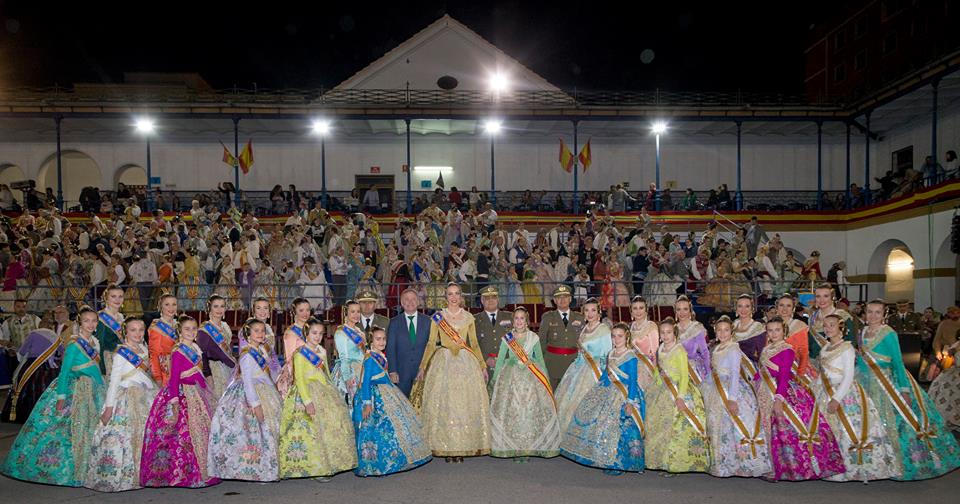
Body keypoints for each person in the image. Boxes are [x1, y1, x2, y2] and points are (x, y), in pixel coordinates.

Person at [856, 299, 960, 480]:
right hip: (864, 382)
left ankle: (898, 463)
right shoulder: (863, 332)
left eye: (877, 312)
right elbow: (862, 359)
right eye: (870, 311)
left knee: (892, 422)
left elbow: (897, 362)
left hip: (887, 383)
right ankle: (874, 463)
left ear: (884, 314)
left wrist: (904, 390)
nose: (873, 316)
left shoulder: (888, 333)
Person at [1, 307, 105, 487]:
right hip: (76, 390)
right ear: (80, 323)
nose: (90, 324)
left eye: (94, 321)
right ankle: (67, 468)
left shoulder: (94, 342)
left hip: (94, 389)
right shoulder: (74, 344)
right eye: (86, 320)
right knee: (66, 431)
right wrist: (61, 397)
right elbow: (64, 372)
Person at [754, 316, 844, 481]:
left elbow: (784, 376)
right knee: (766, 427)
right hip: (764, 391)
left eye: (777, 330)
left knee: (779, 430)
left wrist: (779, 399)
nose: (774, 333)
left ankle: (786, 468)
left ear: (784, 331)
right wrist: (753, 382)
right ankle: (771, 465)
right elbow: (761, 370)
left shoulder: (787, 350)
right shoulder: (766, 349)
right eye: (770, 330)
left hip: (780, 393)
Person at [811, 314, 898, 482]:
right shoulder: (825, 348)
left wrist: (836, 398)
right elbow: (823, 372)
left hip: (843, 394)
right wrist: (816, 389)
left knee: (847, 430)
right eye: (826, 325)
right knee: (827, 431)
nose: (828, 328)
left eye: (832, 325)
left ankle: (850, 469)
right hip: (824, 392)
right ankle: (830, 467)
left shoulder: (847, 348)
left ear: (841, 327)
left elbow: (848, 376)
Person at [413, 282, 490, 462]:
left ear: (461, 296)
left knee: (463, 405)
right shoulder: (438, 317)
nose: (454, 297)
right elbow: (431, 343)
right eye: (450, 294)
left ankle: (462, 446)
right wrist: (423, 366)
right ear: (445, 297)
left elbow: (474, 343)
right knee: (445, 406)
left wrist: (482, 366)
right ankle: (446, 447)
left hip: (465, 363)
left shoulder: (469, 317)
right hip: (444, 361)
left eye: (456, 293)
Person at [140, 315, 220, 488]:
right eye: (187, 329)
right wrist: (174, 402)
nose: (191, 332)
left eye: (194, 328)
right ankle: (186, 474)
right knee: (185, 435)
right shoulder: (178, 351)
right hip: (183, 395)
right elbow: (174, 378)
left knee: (203, 430)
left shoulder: (196, 348)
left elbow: (199, 373)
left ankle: (206, 470)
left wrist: (206, 390)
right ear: (180, 331)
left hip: (197, 393)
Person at [560, 322, 645, 475]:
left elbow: (633, 381)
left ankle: (619, 463)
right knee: (600, 424)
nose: (616, 339)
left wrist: (630, 402)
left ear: (627, 337)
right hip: (608, 390)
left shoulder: (630, 356)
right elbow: (606, 375)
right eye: (614, 336)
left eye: (620, 336)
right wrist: (597, 390)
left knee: (618, 427)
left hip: (624, 394)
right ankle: (604, 458)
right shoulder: (611, 353)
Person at [85, 318, 158, 492]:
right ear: (126, 332)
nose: (138, 333)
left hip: (145, 396)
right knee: (126, 437)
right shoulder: (121, 353)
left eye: (140, 330)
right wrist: (109, 408)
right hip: (126, 398)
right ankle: (125, 476)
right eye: (133, 330)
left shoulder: (143, 348)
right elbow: (114, 381)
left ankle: (144, 474)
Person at [278, 318, 357, 479]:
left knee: (328, 429)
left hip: (323, 391)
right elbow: (299, 379)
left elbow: (325, 372)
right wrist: (307, 401)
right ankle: (315, 468)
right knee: (312, 432)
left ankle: (329, 464)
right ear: (306, 334)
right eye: (314, 333)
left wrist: (332, 390)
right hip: (306, 393)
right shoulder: (300, 353)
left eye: (321, 333)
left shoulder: (321, 351)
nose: (317, 336)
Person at [207, 318, 281, 482]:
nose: (260, 334)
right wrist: (255, 404)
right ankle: (259, 469)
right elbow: (247, 382)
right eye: (256, 331)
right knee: (256, 433)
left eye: (262, 330)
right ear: (248, 334)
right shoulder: (247, 355)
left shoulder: (262, 350)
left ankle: (270, 467)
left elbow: (269, 372)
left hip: (266, 391)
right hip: (251, 395)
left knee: (270, 430)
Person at [353, 326, 432, 476]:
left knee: (396, 425)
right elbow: (366, 382)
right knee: (378, 429)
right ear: (371, 340)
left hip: (387, 391)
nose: (382, 342)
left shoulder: (381, 355)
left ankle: (397, 458)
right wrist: (367, 403)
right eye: (378, 339)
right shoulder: (369, 358)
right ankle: (377, 464)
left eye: (384, 339)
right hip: (375, 396)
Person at [702, 316, 771, 478]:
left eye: (726, 330)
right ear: (715, 332)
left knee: (734, 426)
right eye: (719, 330)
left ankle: (742, 464)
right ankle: (722, 463)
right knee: (718, 425)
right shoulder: (716, 348)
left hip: (731, 390)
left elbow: (734, 374)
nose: (722, 333)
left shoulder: (733, 348)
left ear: (731, 332)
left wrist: (732, 399)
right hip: (715, 389)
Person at [489, 307, 559, 460]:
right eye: (516, 318)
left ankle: (528, 447)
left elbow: (539, 359)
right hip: (511, 378)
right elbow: (500, 359)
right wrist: (495, 378)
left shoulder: (533, 337)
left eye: (522, 318)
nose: (519, 321)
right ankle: (514, 448)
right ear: (513, 321)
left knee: (529, 412)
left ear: (527, 321)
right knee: (513, 413)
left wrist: (545, 378)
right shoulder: (507, 338)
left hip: (531, 379)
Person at [645, 317, 711, 473]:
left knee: (674, 427)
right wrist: (656, 383)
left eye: (669, 332)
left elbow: (684, 375)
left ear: (674, 334)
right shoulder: (660, 349)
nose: (665, 335)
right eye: (663, 332)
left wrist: (680, 397)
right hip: (662, 390)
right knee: (658, 425)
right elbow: (658, 370)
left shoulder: (679, 350)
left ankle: (675, 463)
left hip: (678, 390)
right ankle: (660, 460)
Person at [555, 298, 612, 433]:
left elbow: (608, 355)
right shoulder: (584, 328)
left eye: (593, 310)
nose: (590, 314)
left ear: (599, 313)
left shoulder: (603, 329)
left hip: (594, 372)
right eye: (586, 310)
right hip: (578, 369)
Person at [385, 288, 431, 396]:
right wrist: (392, 371)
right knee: (402, 404)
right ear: (401, 303)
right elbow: (390, 348)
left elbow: (431, 346)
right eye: (406, 299)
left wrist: (426, 368)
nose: (410, 302)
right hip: (401, 373)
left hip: (422, 373)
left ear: (418, 301)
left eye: (413, 299)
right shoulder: (394, 322)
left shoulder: (428, 321)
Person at [540, 285, 585, 389]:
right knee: (552, 394)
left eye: (565, 297)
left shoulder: (580, 318)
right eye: (559, 297)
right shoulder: (548, 317)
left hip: (573, 363)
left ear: (570, 299)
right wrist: (541, 363)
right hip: (553, 364)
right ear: (555, 300)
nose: (562, 300)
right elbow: (542, 341)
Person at [197, 295, 237, 400]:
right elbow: (202, 356)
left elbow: (228, 349)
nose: (219, 310)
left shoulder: (225, 326)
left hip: (228, 368)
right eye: (216, 306)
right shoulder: (204, 330)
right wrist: (208, 376)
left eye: (222, 306)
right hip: (214, 371)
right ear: (209, 308)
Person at [474, 285, 513, 385]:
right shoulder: (474, 320)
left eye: (494, 297)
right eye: (487, 298)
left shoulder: (510, 317)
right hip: (484, 367)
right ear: (482, 300)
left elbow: (517, 340)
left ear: (498, 299)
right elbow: (472, 344)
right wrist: (485, 359)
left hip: (506, 365)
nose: (491, 300)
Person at [807, 283, 856, 359]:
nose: (822, 300)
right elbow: (810, 342)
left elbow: (850, 341)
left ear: (832, 297)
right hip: (814, 360)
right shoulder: (812, 317)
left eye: (826, 296)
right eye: (818, 296)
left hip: (836, 360)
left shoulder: (843, 316)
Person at [332, 300, 367, 402]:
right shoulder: (341, 333)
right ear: (346, 314)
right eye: (353, 312)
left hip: (362, 369)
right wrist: (347, 378)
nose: (356, 314)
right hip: (349, 371)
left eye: (358, 311)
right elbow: (344, 358)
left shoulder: (359, 331)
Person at [276, 298, 311, 397]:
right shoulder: (291, 332)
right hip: (296, 370)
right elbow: (289, 358)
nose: (305, 313)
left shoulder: (310, 329)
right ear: (295, 312)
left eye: (307, 310)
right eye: (301, 310)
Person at [674, 295, 710, 382]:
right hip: (676, 369)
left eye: (685, 309)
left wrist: (709, 374)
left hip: (693, 370)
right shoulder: (673, 329)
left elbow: (705, 352)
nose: (682, 313)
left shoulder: (697, 328)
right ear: (675, 312)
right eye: (679, 309)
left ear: (690, 311)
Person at [776, 294, 811, 378]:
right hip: (774, 368)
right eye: (781, 305)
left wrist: (800, 374)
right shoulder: (770, 325)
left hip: (795, 368)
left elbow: (804, 352)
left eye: (788, 306)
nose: (784, 309)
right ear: (777, 307)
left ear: (793, 309)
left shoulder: (799, 326)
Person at [147, 294, 179, 385]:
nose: (171, 308)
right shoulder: (156, 327)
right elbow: (154, 355)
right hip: (165, 371)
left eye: (174, 304)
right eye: (167, 304)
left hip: (179, 368)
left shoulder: (178, 325)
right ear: (161, 307)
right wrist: (158, 378)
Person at [733, 294, 766, 364]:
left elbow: (761, 353)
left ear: (752, 308)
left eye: (747, 306)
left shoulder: (758, 327)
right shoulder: (732, 325)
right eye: (740, 306)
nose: (743, 309)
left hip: (750, 366)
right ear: (736, 308)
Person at [628, 296, 658, 362]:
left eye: (641, 308)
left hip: (647, 364)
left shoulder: (651, 326)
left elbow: (655, 353)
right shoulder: (629, 327)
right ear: (631, 311)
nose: (638, 311)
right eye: (635, 308)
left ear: (646, 310)